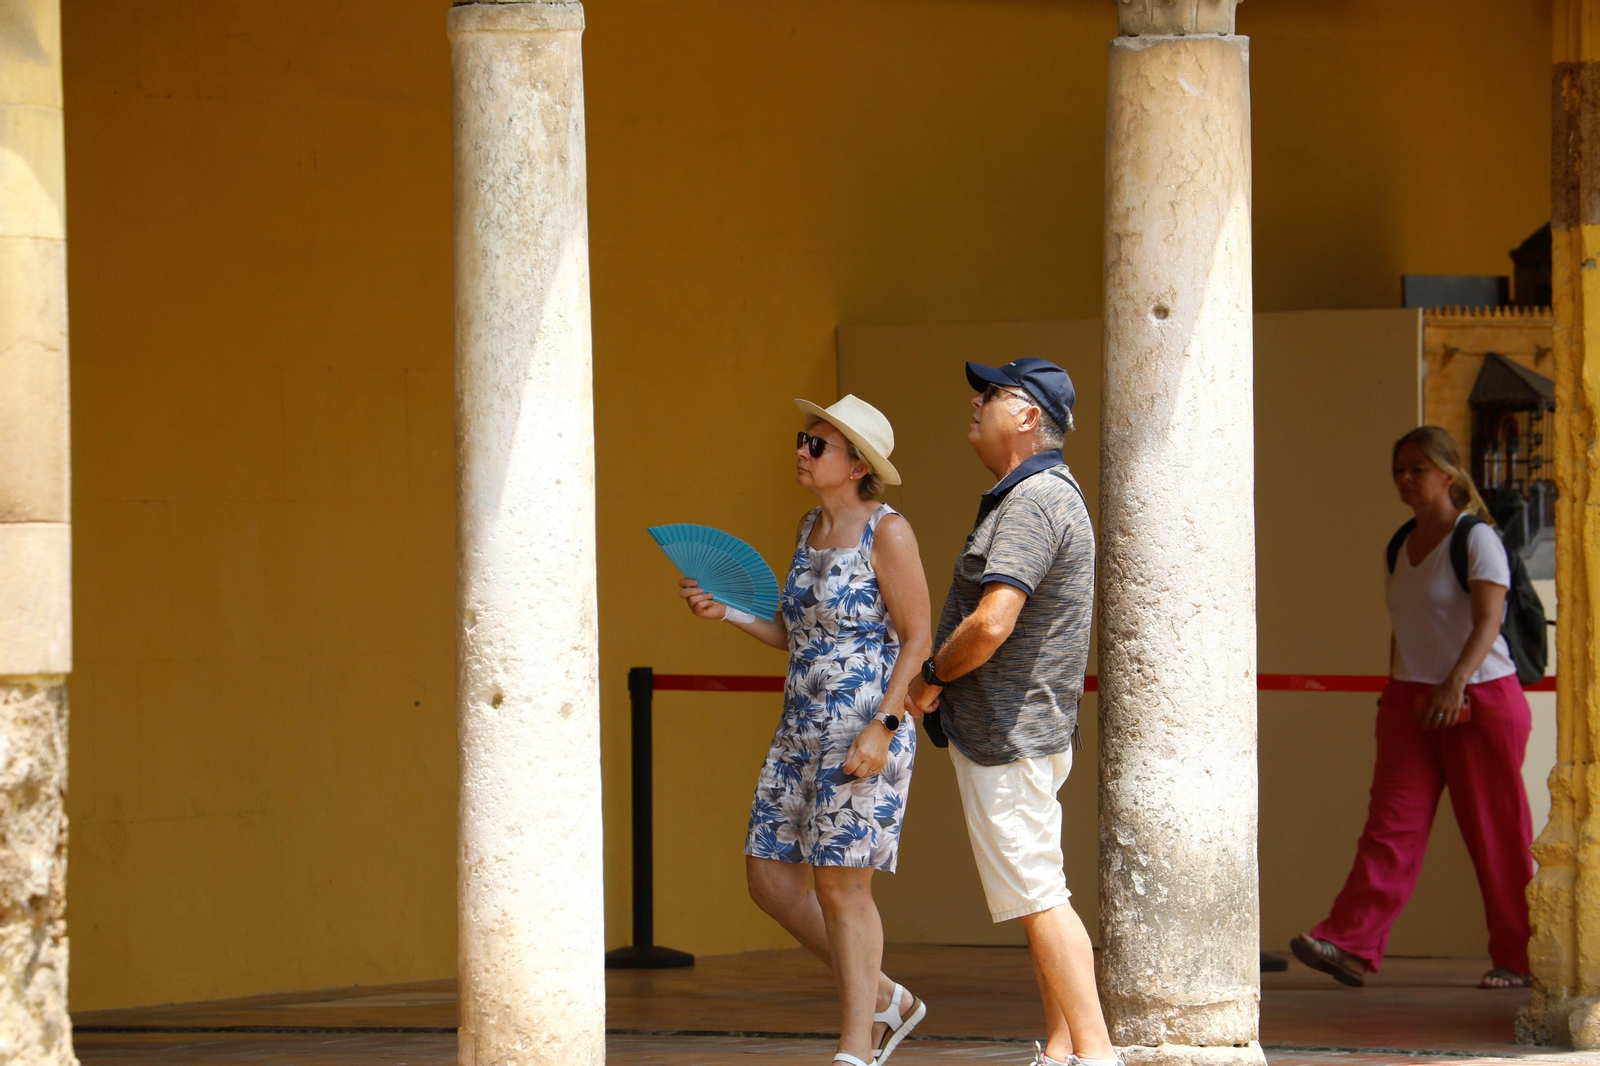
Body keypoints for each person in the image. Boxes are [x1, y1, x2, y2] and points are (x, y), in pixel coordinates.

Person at [678, 395, 933, 1066]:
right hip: (799, 725)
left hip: (863, 724)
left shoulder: (888, 532)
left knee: (842, 887)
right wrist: (728, 611)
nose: (801, 450)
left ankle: (857, 1045)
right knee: (769, 879)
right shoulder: (808, 527)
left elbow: (918, 638)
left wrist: (884, 725)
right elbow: (797, 634)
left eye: (816, 445)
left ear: (857, 465)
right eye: (803, 438)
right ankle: (885, 997)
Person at [903, 359, 1116, 1066]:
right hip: (1020, 730)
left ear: (1027, 416)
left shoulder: (1033, 500)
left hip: (1009, 733)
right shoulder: (1039, 495)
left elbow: (993, 623)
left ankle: (1096, 1053)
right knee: (1036, 892)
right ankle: (1060, 1048)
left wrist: (932, 676)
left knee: (1039, 893)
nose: (976, 401)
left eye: (992, 393)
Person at [1292, 425, 1535, 991]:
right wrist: (1397, 686)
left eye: (1417, 469)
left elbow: (1489, 621)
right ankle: (1349, 945)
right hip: (1410, 700)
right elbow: (1406, 627)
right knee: (1390, 828)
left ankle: (1520, 958)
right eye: (1398, 469)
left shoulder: (1477, 538)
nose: (1405, 478)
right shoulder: (1400, 543)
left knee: (1496, 835)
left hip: (1480, 698)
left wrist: (1455, 682)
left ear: (1448, 475)